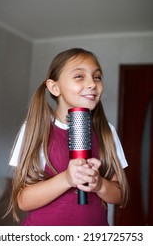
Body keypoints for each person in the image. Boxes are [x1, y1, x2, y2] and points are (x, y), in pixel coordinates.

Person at [8, 48, 129, 226]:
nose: (92, 84)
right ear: (54, 87)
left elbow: (120, 195)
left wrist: (99, 184)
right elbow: (23, 200)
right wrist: (67, 179)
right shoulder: (35, 130)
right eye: (79, 76)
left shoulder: (106, 131)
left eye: (97, 77)